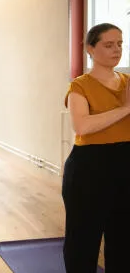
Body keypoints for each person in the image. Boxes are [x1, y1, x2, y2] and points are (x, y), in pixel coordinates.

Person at [63, 23, 130, 272]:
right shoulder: (80, 86)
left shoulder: (128, 82)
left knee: (123, 241)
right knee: (83, 241)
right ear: (90, 48)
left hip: (125, 165)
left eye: (120, 44)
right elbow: (82, 126)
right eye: (109, 44)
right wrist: (124, 109)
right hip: (89, 169)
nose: (117, 49)